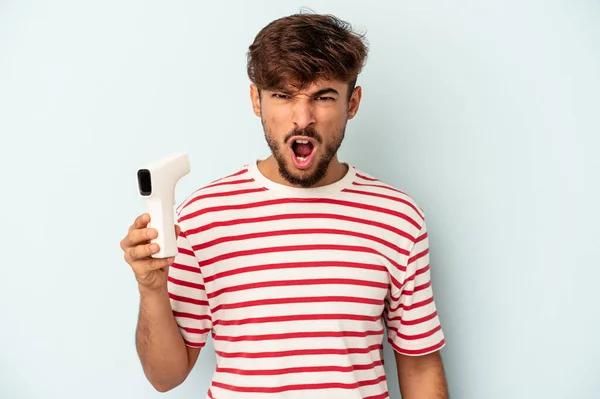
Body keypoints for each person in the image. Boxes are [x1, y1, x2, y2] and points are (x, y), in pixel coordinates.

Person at [120, 12, 448, 399]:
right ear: (256, 101)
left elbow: (421, 367)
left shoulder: (398, 219)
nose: (302, 119)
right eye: (282, 95)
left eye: (323, 97)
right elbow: (165, 377)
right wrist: (152, 290)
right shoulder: (202, 217)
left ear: (353, 102)